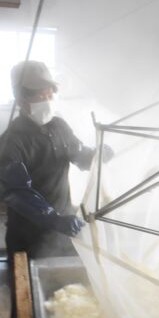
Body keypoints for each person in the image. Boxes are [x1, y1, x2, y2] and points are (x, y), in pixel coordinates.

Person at [0, 60, 113, 260]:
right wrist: (53, 219)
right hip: (28, 237)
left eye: (50, 95)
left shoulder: (58, 126)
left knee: (68, 286)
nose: (48, 101)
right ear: (20, 99)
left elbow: (78, 153)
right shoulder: (11, 142)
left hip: (64, 229)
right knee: (31, 289)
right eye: (40, 97)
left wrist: (96, 155)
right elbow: (18, 193)